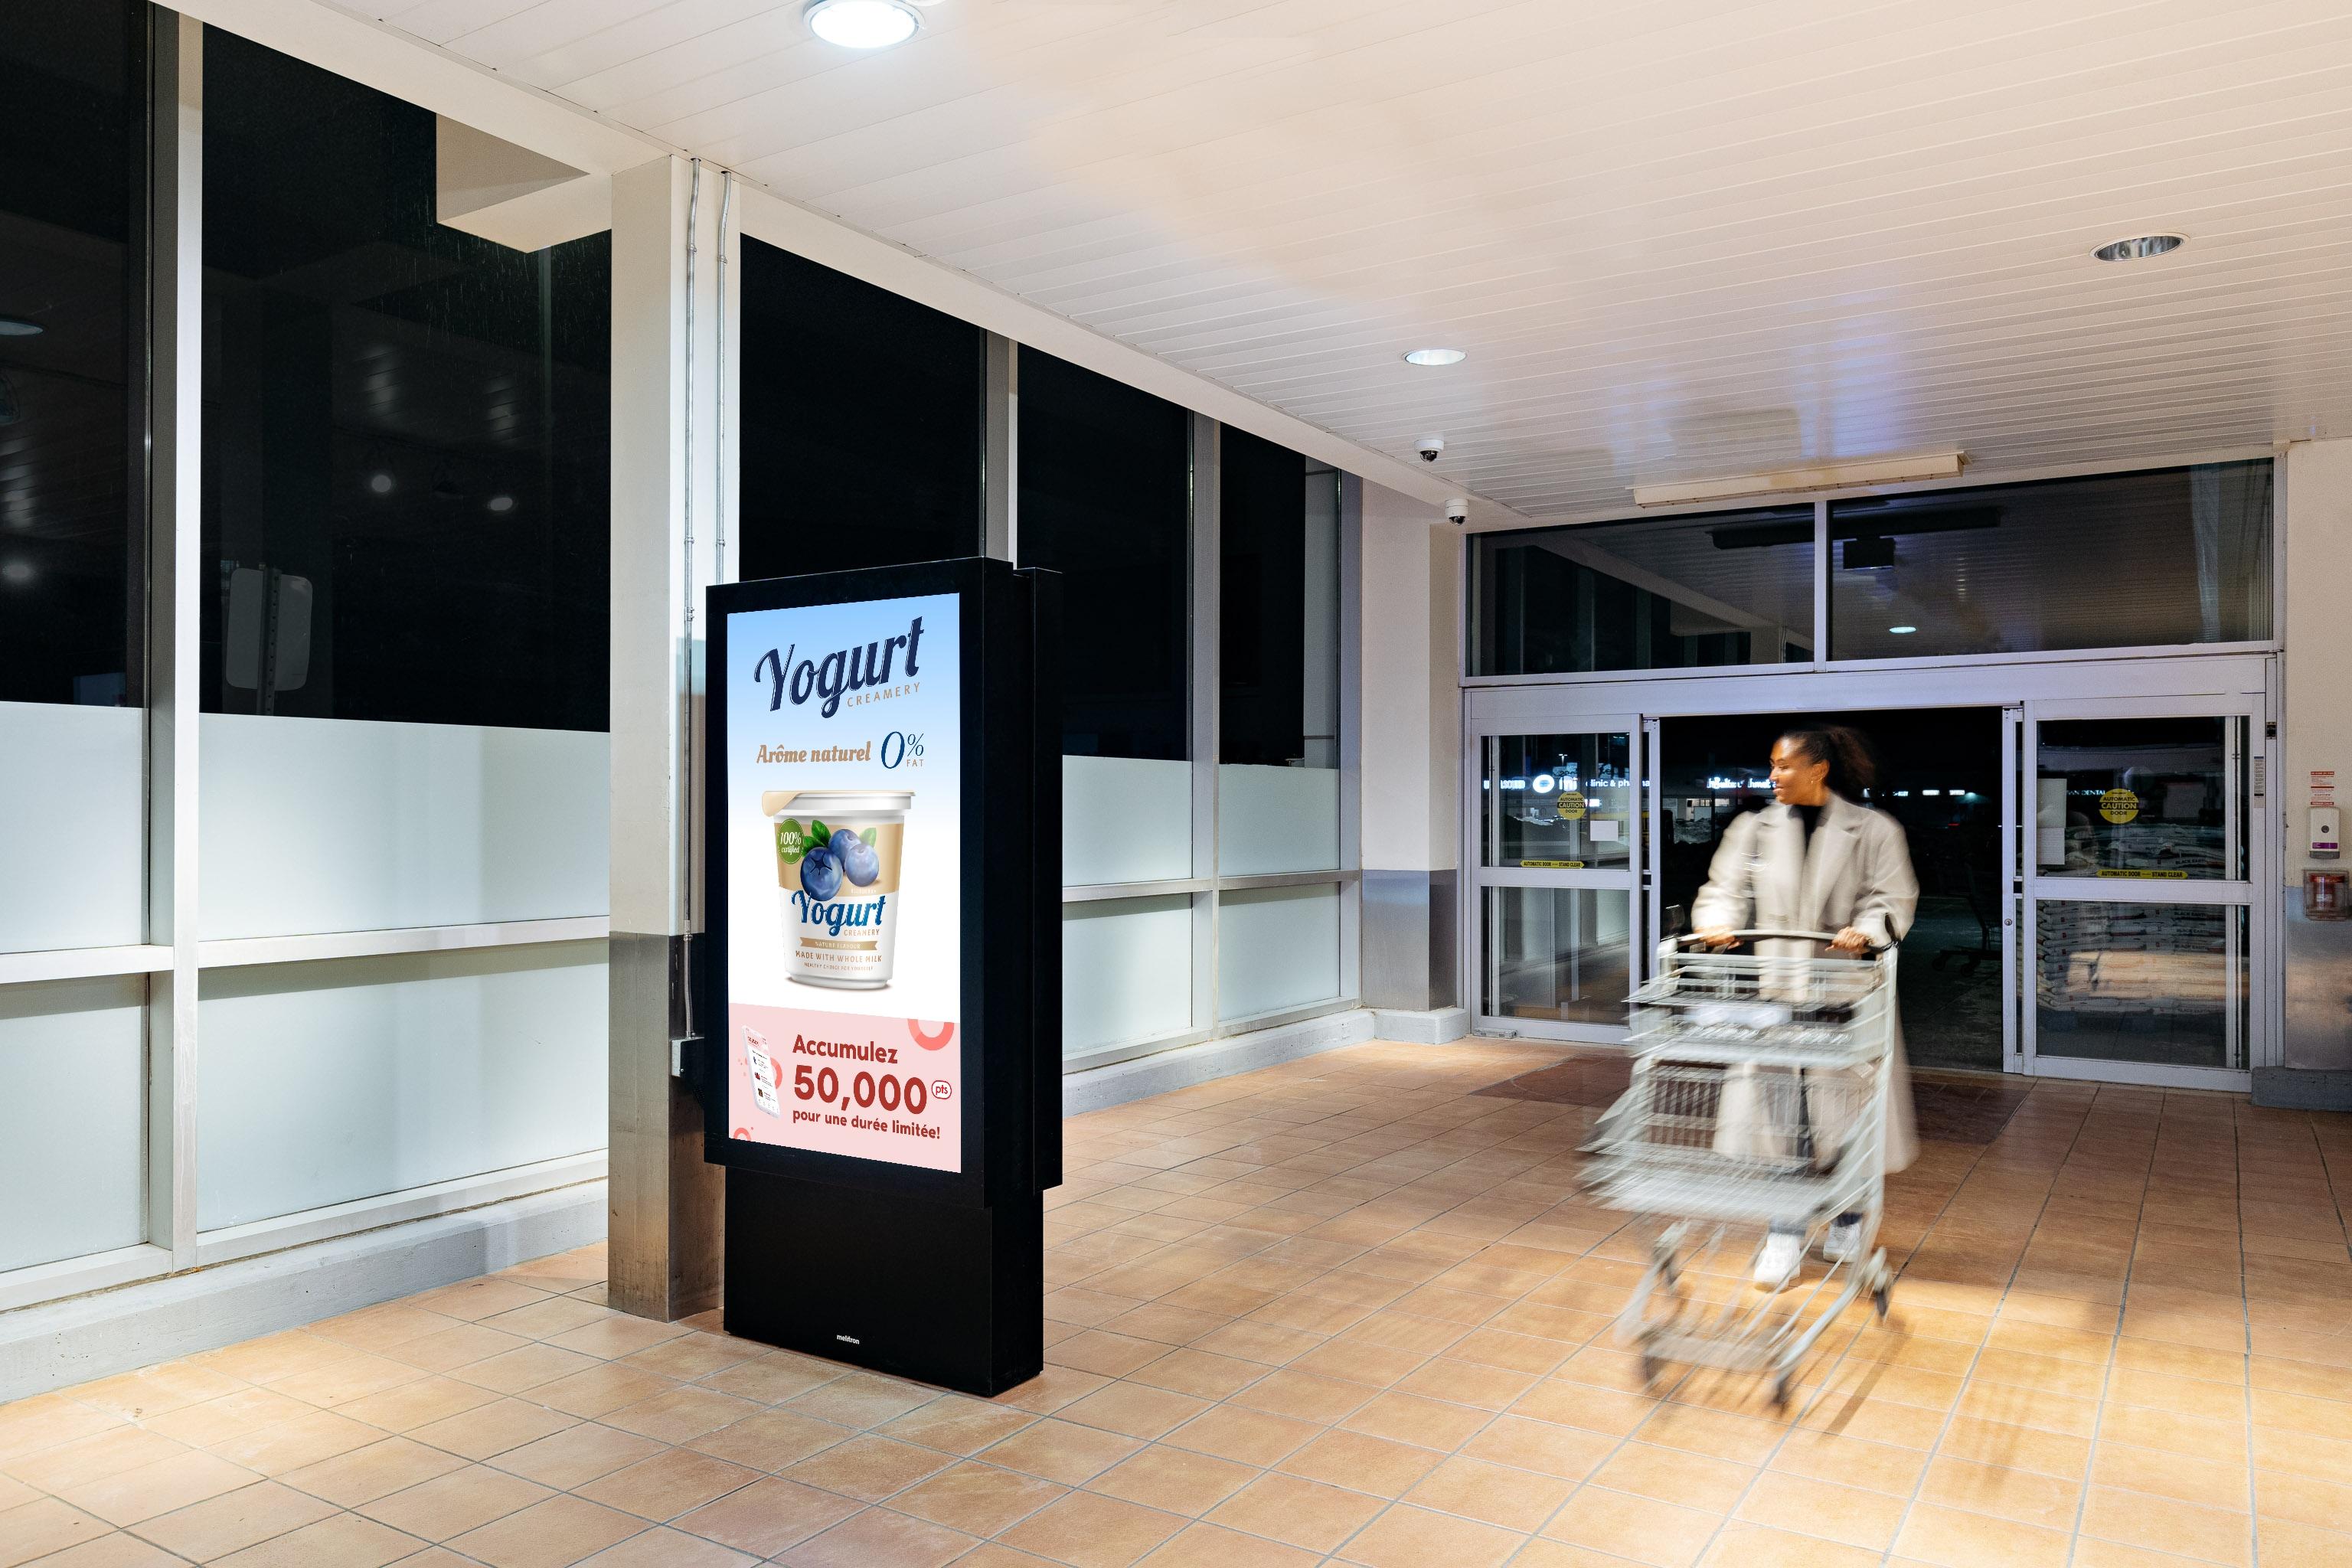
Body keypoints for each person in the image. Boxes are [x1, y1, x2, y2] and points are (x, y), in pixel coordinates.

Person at [1693, 724, 1919, 1289]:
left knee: (1844, 1120)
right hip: (1777, 997)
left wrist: (1865, 932)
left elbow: (1891, 898)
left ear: (1817, 769)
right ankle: (1784, 1233)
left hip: (1844, 998)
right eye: (1771, 765)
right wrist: (1716, 923)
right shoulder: (1753, 829)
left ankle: (1846, 1219)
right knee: (1781, 1122)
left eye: (1783, 765)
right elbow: (1723, 888)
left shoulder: (1873, 830)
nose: (1773, 776)